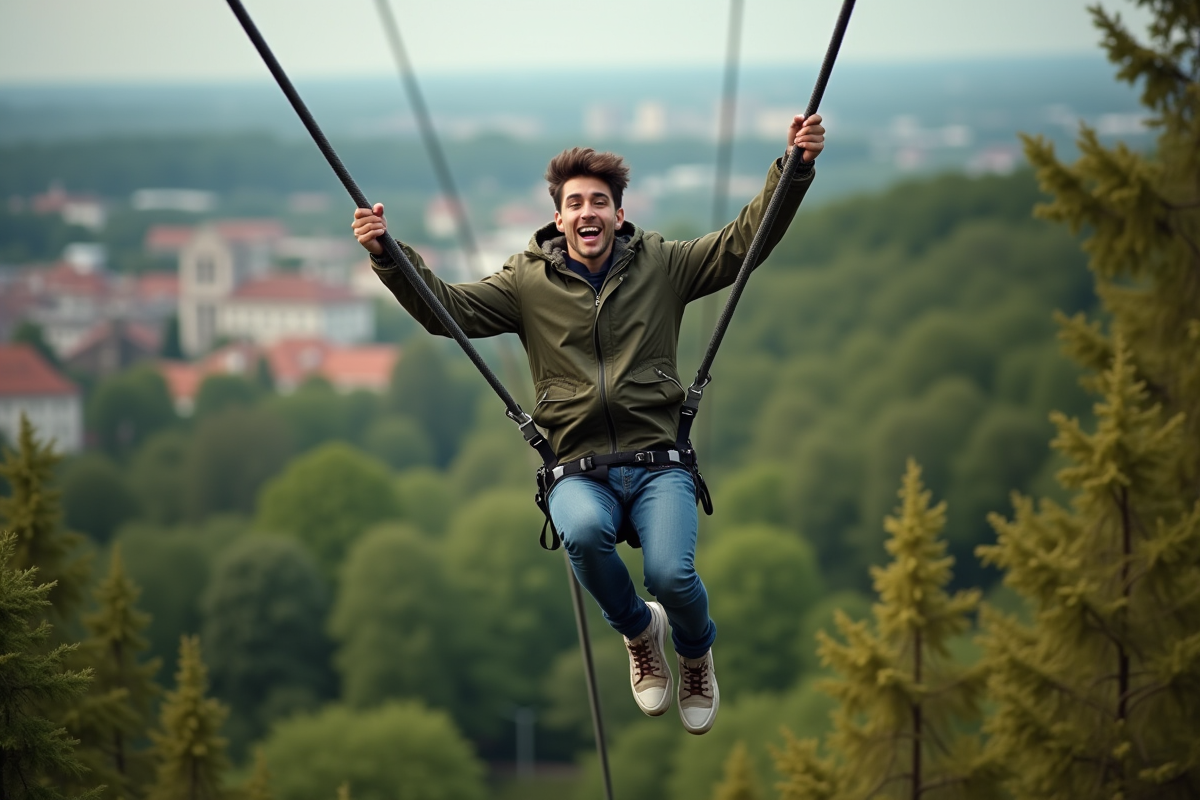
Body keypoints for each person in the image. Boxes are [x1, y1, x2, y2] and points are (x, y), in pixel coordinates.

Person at [353, 113, 825, 735]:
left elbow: (745, 242)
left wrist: (794, 168)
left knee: (672, 574)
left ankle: (694, 650)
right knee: (578, 530)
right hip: (580, 468)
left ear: (619, 215)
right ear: (559, 217)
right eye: (575, 202)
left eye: (599, 201)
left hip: (658, 461)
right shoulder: (527, 284)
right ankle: (639, 630)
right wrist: (389, 255)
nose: (587, 213)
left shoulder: (663, 266)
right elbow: (450, 310)